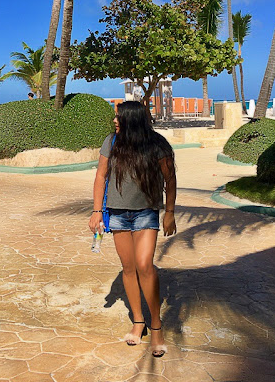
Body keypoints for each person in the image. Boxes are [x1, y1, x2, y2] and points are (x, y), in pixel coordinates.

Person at [88, 101, 177, 358]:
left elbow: (170, 179)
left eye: (119, 117)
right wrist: (96, 211)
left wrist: (169, 212)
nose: (114, 121)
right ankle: (139, 322)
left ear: (132, 120)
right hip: (117, 214)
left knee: (144, 265)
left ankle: (156, 326)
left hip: (146, 213)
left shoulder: (157, 144)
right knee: (128, 268)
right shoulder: (112, 142)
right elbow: (101, 175)